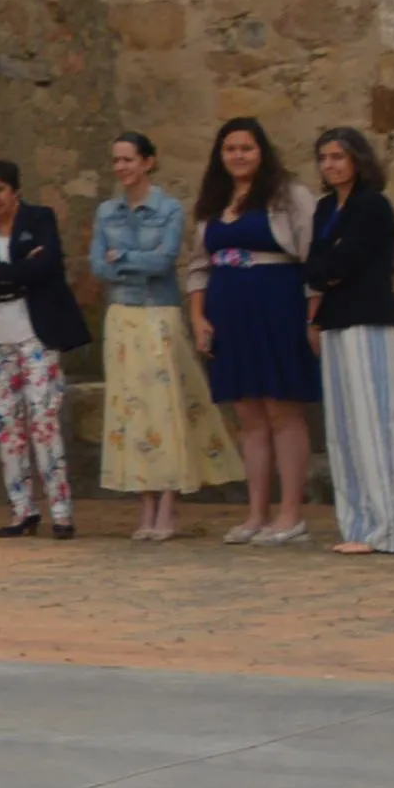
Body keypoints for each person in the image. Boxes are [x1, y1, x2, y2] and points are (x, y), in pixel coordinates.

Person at [90, 129, 240, 540]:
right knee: (131, 411)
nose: (121, 167)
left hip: (159, 313)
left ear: (147, 162)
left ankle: (169, 505)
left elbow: (164, 260)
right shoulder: (106, 212)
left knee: (165, 407)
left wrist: (120, 257)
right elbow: (97, 267)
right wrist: (127, 261)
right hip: (122, 316)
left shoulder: (169, 209)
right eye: (117, 160)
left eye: (128, 159)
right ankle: (146, 503)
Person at [183, 115, 321, 546]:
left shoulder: (290, 197)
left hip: (277, 306)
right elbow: (198, 266)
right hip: (229, 312)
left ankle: (291, 514)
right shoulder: (213, 205)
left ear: (262, 151)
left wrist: (313, 316)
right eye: (230, 149)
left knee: (282, 408)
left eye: (246, 148)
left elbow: (314, 258)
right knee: (247, 415)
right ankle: (256, 512)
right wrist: (199, 317)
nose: (238, 156)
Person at [0, 158, 88, 541]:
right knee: (6, 424)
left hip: (35, 331)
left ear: (14, 191)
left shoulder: (39, 219)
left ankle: (61, 511)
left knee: (43, 419)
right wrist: (14, 272)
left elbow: (45, 268)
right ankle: (22, 510)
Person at [308, 127, 394, 557]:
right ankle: (356, 523)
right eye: (324, 158)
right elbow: (314, 264)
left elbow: (345, 263)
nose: (330, 165)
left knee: (373, 424)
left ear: (357, 160)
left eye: (338, 157)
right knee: (344, 429)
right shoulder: (326, 208)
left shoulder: (373, 207)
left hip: (366, 318)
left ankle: (386, 528)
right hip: (335, 321)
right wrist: (324, 270)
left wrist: (328, 267)